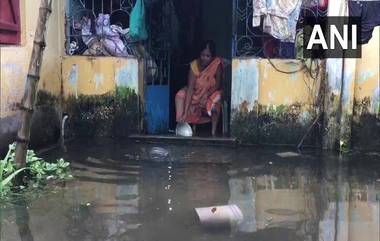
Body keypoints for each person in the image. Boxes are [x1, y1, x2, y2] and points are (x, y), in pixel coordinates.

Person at [175, 40, 224, 136]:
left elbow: (218, 84)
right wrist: (185, 111)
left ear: (212, 56)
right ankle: (183, 122)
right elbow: (190, 88)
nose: (205, 58)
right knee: (180, 95)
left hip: (211, 92)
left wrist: (207, 94)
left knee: (215, 99)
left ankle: (213, 131)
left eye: (208, 56)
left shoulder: (216, 63)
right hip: (196, 93)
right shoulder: (194, 66)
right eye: (202, 55)